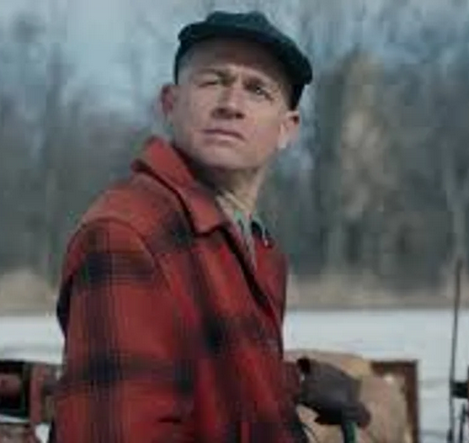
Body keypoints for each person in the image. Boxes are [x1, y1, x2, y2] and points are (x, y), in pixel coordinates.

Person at [52, 10, 368, 442]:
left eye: (257, 90)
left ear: (287, 128)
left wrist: (297, 382)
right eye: (212, 81)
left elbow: (216, 373)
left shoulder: (251, 243)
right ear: (170, 103)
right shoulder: (127, 235)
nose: (231, 104)